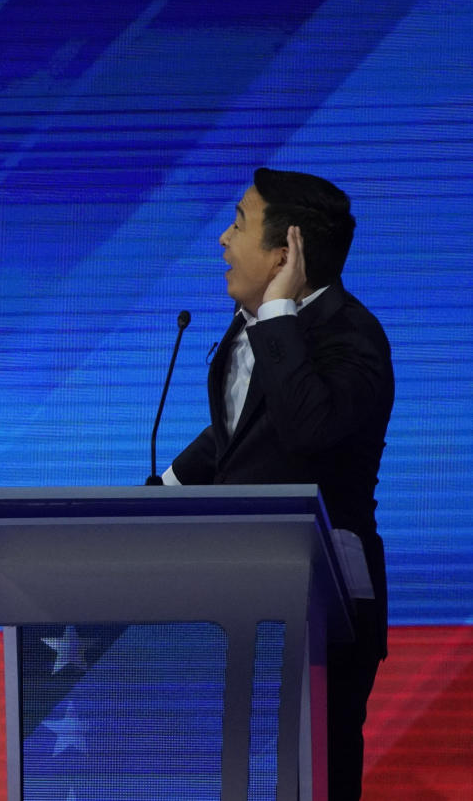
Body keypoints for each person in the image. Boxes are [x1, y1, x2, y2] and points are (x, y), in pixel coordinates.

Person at [163, 168, 393, 800]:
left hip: (329, 611)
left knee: (314, 775)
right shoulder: (260, 324)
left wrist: (278, 311)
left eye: (238, 223)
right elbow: (236, 435)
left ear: (285, 252)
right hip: (246, 602)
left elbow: (306, 430)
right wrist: (164, 489)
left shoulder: (352, 337)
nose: (221, 240)